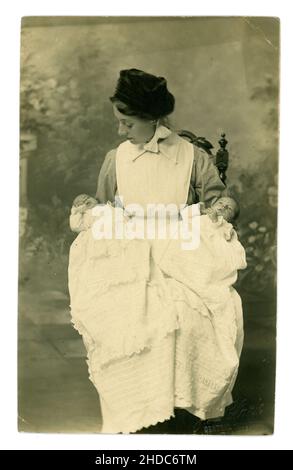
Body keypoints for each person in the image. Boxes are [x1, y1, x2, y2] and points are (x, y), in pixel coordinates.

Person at [68, 68, 246, 434]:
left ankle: (180, 407)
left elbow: (218, 200)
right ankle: (137, 409)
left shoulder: (192, 157)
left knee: (187, 310)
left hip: (180, 250)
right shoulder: (115, 159)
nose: (121, 131)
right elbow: (105, 209)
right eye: (119, 122)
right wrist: (89, 208)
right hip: (130, 253)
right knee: (128, 311)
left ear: (153, 118)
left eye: (127, 124)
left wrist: (223, 209)